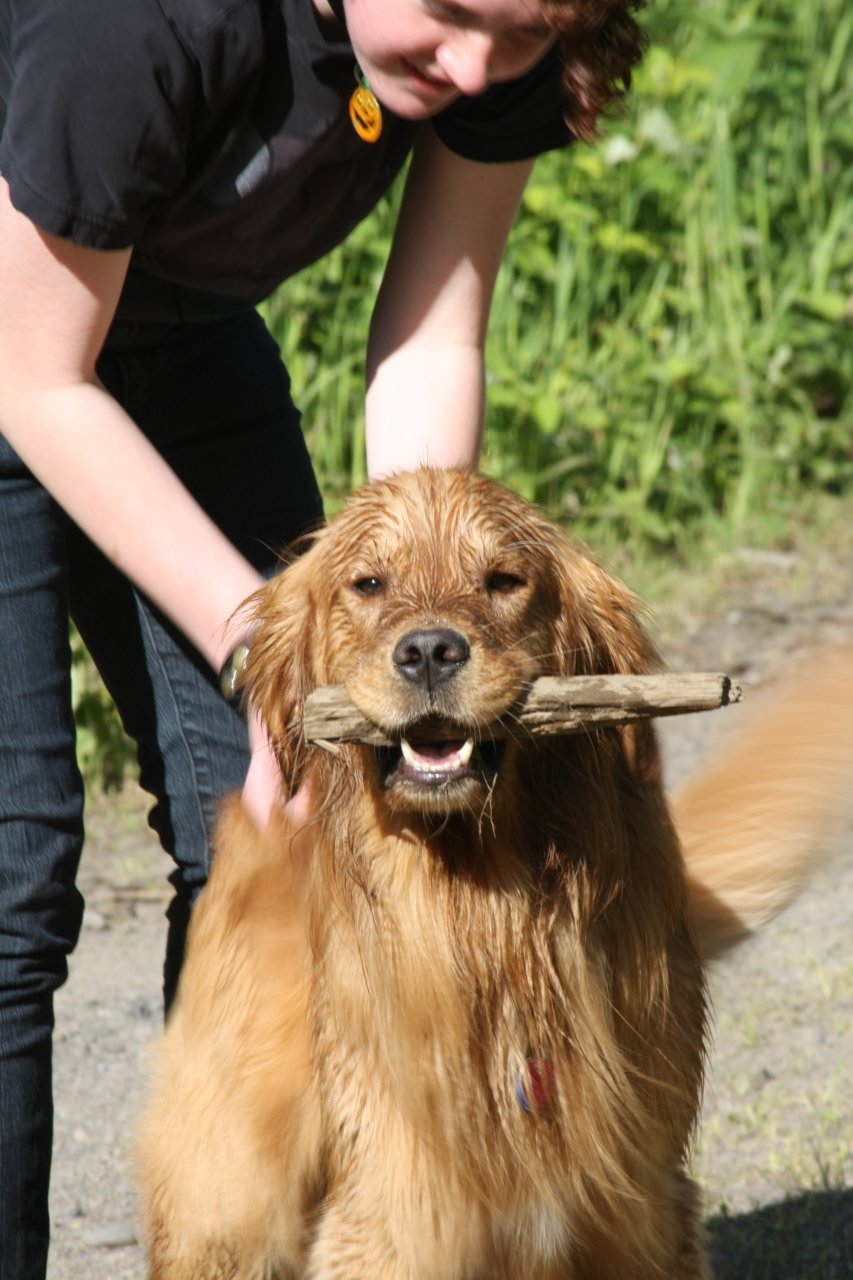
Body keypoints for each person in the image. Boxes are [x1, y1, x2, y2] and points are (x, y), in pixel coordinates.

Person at [0, 0, 647, 1271]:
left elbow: (431, 337)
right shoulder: (139, 26)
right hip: (14, 336)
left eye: (511, 42)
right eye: (453, 14)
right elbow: (34, 375)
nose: (470, 69)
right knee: (12, 880)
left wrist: (413, 612)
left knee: (272, 832)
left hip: (179, 342)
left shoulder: (504, 36)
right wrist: (265, 649)